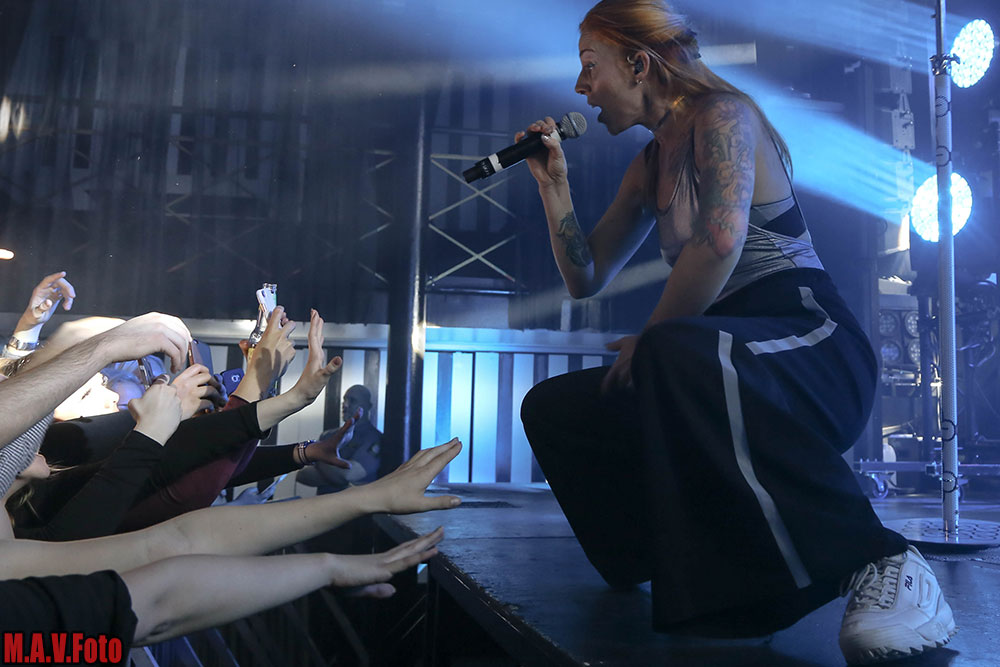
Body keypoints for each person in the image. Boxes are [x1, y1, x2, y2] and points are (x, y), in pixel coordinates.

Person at [516, 2, 953, 663]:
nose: (581, 88)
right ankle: (653, 554)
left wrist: (652, 342)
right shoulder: (647, 166)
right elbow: (586, 275)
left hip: (811, 342)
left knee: (673, 349)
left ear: (638, 64)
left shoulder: (723, 115)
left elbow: (719, 243)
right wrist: (555, 190)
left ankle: (883, 559)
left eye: (589, 66)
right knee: (557, 407)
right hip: (715, 357)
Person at [297, 384, 383, 494]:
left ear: (368, 406)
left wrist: (319, 458)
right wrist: (338, 477)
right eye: (344, 400)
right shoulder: (328, 435)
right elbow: (302, 475)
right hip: (323, 502)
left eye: (352, 401)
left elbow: (349, 475)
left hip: (352, 503)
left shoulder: (373, 438)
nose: (345, 405)